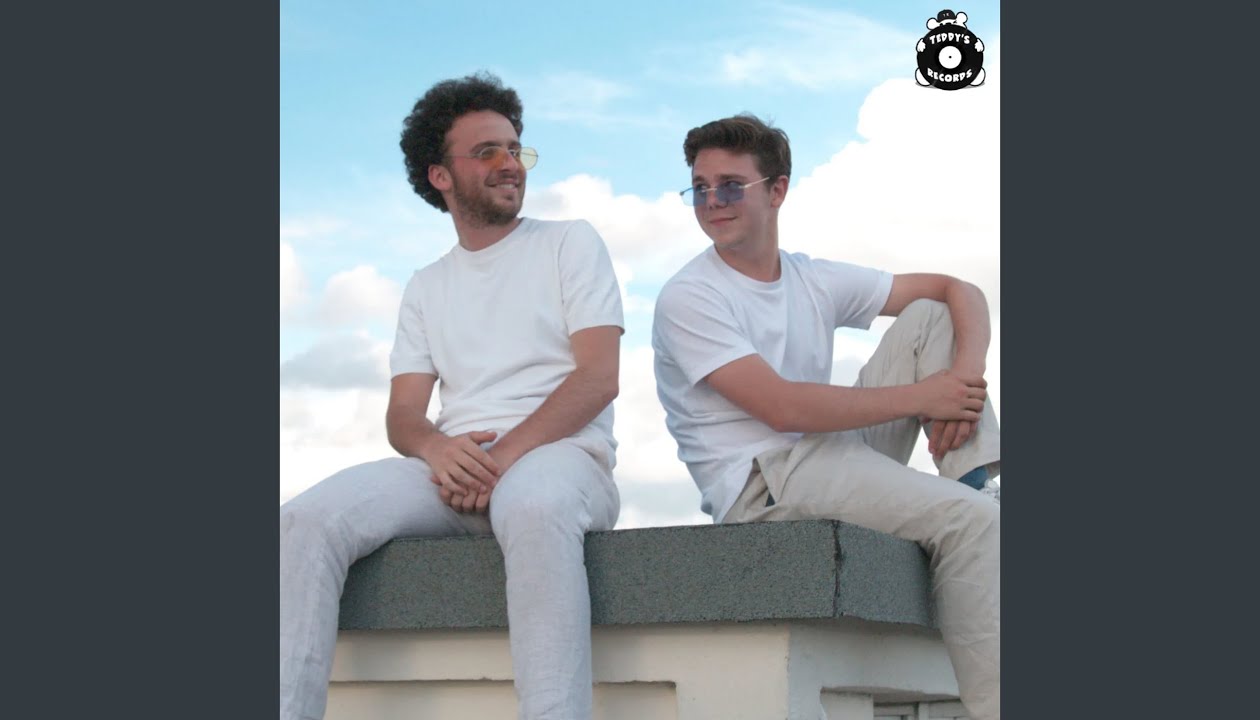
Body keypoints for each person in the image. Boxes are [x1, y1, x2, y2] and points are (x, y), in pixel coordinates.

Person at [280, 72, 625, 720]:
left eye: (515, 148)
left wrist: (500, 459)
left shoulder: (569, 242)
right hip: (455, 470)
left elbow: (598, 377)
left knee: (532, 506)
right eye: (487, 151)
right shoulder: (426, 285)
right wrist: (439, 451)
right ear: (440, 175)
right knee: (303, 522)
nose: (509, 163)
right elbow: (403, 415)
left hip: (564, 459)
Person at [651, 113, 1001, 720]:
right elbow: (782, 406)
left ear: (777, 190)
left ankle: (972, 481)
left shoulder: (809, 277)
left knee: (930, 315)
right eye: (700, 188)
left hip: (829, 456)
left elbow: (958, 289)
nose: (712, 202)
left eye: (730, 186)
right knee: (976, 526)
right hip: (766, 482)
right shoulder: (690, 296)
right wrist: (926, 397)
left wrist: (962, 381)